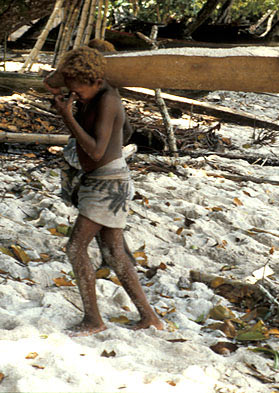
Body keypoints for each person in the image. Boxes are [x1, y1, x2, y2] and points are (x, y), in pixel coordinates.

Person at [44, 47, 163, 335]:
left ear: (97, 81)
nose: (74, 95)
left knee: (76, 247)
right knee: (114, 253)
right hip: (99, 182)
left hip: (109, 183)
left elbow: (96, 151)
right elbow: (49, 81)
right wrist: (69, 87)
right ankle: (150, 317)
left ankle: (93, 320)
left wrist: (68, 115)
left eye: (78, 91)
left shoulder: (108, 99)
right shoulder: (93, 91)